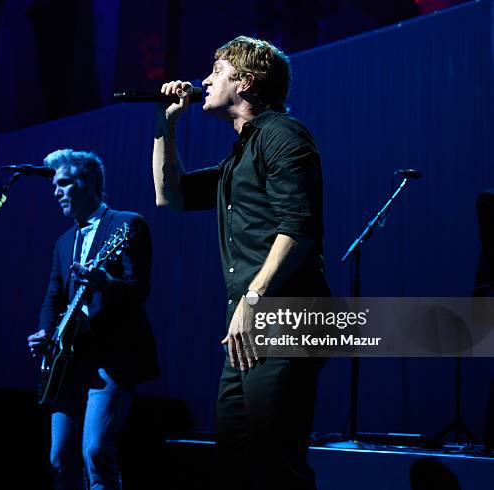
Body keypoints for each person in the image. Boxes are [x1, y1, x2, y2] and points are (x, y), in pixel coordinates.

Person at [152, 36, 330, 489]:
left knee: (276, 462)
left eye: (217, 71)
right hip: (250, 323)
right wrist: (165, 125)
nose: (205, 81)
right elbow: (169, 196)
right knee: (236, 460)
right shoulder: (239, 157)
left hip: (284, 315)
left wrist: (253, 297)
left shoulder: (281, 136)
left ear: (246, 81)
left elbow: (300, 226)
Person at [28, 149, 158, 490]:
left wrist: (106, 283)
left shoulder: (127, 224)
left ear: (88, 184)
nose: (56, 192)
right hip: (67, 360)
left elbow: (138, 289)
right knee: (59, 458)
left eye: (65, 183)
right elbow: (53, 298)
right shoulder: (64, 241)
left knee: (97, 450)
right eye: (55, 185)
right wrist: (45, 333)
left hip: (112, 356)